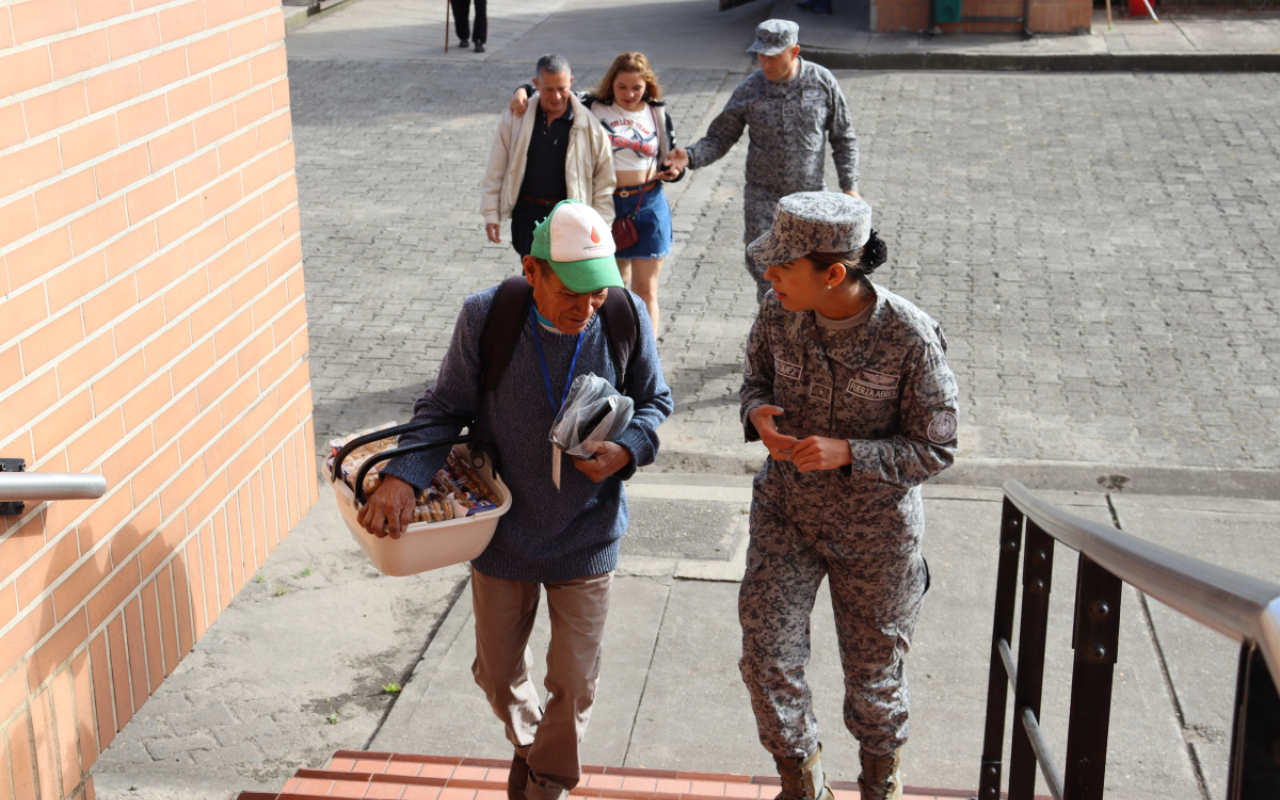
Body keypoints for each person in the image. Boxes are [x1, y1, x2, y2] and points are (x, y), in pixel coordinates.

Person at [359, 200, 673, 800]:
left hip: (589, 531)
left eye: (597, 292)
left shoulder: (623, 314)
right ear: (533, 271)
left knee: (574, 682)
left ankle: (545, 782)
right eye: (572, 291)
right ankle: (534, 748)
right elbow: (444, 407)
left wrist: (628, 448)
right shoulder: (486, 317)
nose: (586, 308)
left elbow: (655, 400)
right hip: (503, 533)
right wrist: (403, 476)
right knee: (498, 675)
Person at [736, 193, 959, 800]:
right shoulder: (777, 310)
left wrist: (851, 452)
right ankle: (801, 782)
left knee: (873, 675)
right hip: (787, 513)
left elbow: (936, 449)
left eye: (782, 267)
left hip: (875, 535)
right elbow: (754, 376)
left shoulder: (909, 337)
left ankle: (879, 784)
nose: (769, 276)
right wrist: (757, 413)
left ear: (833, 273)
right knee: (766, 655)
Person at [663, 20, 859, 303]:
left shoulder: (822, 81)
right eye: (761, 55)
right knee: (767, 272)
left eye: (773, 55)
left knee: (810, 272)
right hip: (763, 199)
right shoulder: (749, 89)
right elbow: (719, 137)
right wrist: (689, 157)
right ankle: (772, 331)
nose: (765, 63)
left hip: (810, 199)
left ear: (794, 51)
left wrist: (849, 186)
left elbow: (843, 137)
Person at [509, 52, 684, 337]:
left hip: (648, 204)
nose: (629, 94)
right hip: (608, 205)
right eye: (622, 86)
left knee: (647, 288)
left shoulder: (657, 113)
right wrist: (521, 90)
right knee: (612, 287)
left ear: (648, 86)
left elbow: (670, 157)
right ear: (610, 84)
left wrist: (676, 170)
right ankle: (609, 349)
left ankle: (645, 358)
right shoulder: (593, 105)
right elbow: (552, 88)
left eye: (636, 87)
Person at [482, 55, 616, 258]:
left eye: (562, 88)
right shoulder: (516, 118)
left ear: (571, 82)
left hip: (570, 217)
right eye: (549, 90)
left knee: (564, 282)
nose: (557, 96)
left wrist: (600, 227)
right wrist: (491, 213)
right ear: (536, 85)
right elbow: (496, 167)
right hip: (527, 216)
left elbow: (604, 182)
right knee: (532, 278)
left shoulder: (590, 125)